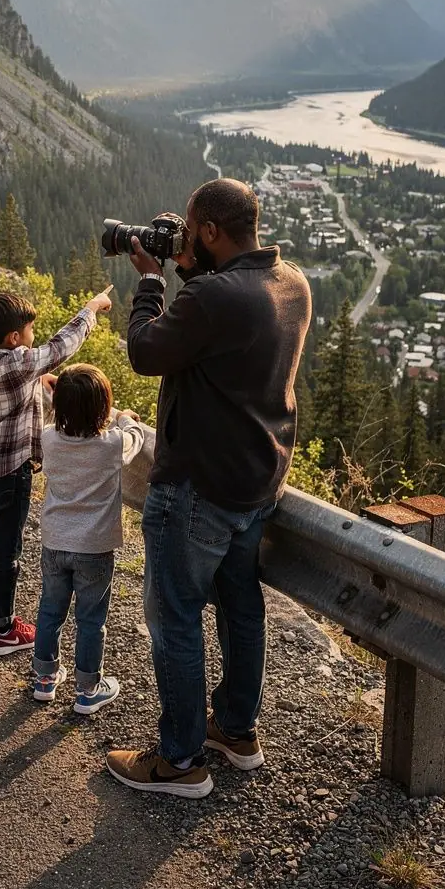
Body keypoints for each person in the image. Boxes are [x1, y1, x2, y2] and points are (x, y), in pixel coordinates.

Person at [106, 178, 311, 799]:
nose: (183, 237)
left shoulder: (214, 298)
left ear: (212, 232)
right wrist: (194, 270)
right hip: (256, 482)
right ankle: (236, 731)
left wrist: (150, 280)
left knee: (175, 618)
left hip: (196, 487)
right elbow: (216, 336)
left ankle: (179, 761)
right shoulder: (289, 283)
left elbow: (145, 350)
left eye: (192, 228)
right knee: (242, 610)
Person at [0, 287, 113, 656]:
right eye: (28, 332)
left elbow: (17, 371)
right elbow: (62, 346)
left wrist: (34, 379)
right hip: (8, 471)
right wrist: (90, 308)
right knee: (6, 549)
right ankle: (3, 629)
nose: (32, 339)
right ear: (15, 338)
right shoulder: (21, 363)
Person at [32, 364, 145, 713]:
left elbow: (58, 416)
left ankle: (44, 678)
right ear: (102, 408)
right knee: (91, 619)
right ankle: (87, 689)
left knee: (51, 609)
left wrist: (58, 393)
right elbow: (136, 438)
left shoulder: (49, 437)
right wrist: (125, 417)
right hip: (94, 548)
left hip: (54, 541)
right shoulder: (111, 445)